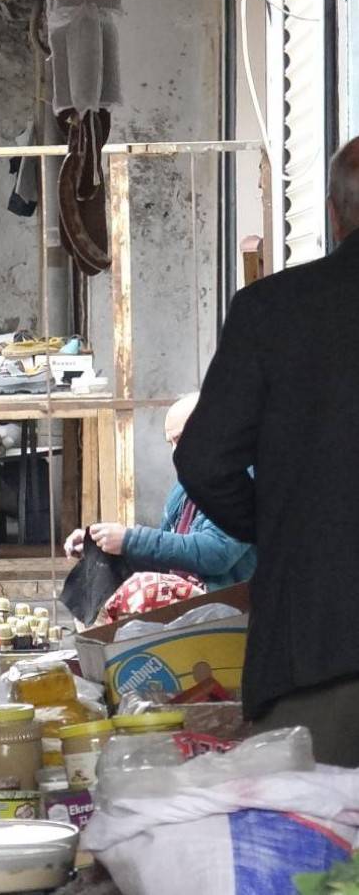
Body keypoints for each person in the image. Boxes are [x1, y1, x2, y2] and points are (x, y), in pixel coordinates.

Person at [175, 136, 359, 767]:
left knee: (310, 850)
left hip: (314, 644)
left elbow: (204, 459)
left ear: (334, 215)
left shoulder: (272, 311)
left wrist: (280, 533)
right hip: (315, 632)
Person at [63, 393, 256, 591]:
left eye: (181, 438)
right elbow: (168, 555)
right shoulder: (186, 487)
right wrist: (102, 542)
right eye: (170, 443)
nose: (175, 451)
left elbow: (217, 552)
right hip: (194, 605)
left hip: (233, 612)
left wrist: (130, 540)